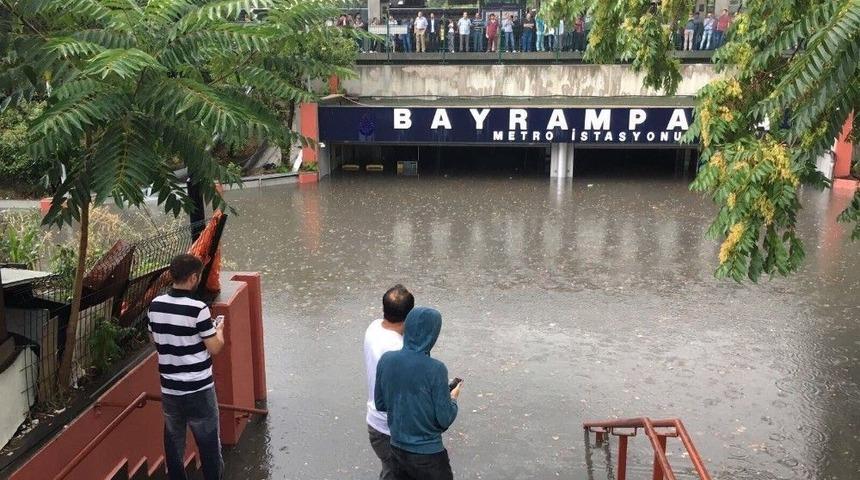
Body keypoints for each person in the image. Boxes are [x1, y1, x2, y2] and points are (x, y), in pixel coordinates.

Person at [147, 254, 225, 480]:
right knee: (209, 447)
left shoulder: (155, 305)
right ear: (193, 278)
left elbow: (155, 340)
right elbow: (214, 347)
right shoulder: (198, 309)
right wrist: (219, 329)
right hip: (199, 390)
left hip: (170, 391)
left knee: (173, 447)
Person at [375, 307, 462, 480]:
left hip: (397, 452)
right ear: (433, 334)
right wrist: (453, 398)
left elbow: (381, 404)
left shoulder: (386, 359)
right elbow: (444, 419)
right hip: (429, 458)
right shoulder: (436, 369)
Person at [365, 285, 415, 480]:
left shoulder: (373, 327)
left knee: (390, 470)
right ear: (410, 316)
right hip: (391, 429)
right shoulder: (399, 349)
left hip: (374, 422)